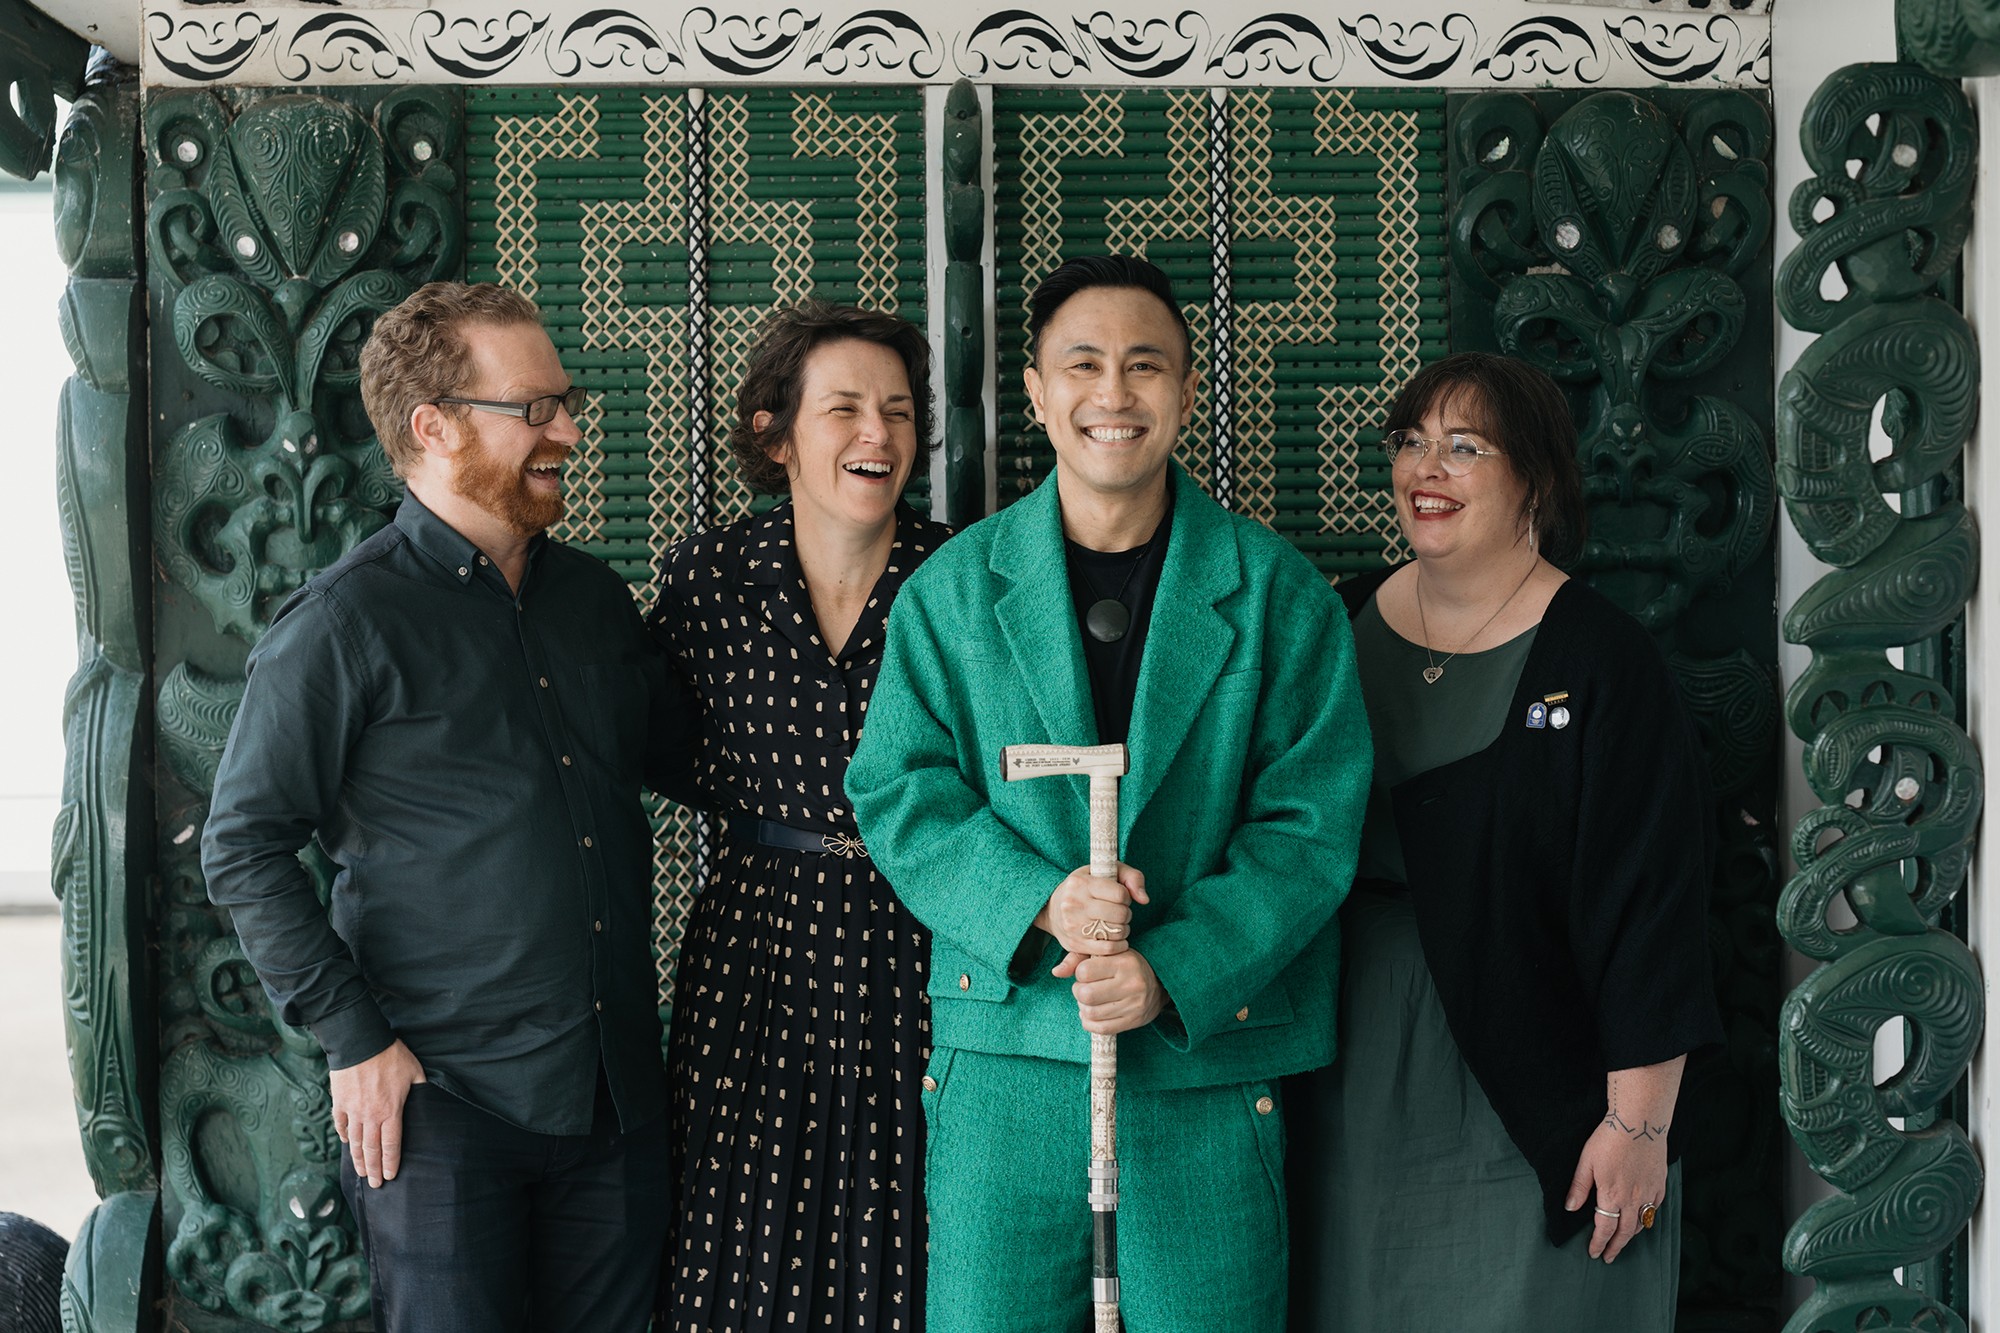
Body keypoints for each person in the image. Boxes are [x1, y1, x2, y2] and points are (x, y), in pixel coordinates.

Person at [847, 254, 1372, 1331]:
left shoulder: (1277, 593)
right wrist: (1041, 900)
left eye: (1145, 366)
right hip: (1009, 1049)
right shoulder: (952, 591)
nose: (1113, 394)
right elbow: (900, 791)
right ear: (1035, 393)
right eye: (1080, 365)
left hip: (1205, 1053)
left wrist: (1168, 970)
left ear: (1184, 389)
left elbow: (1308, 830)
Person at [203, 281, 687, 1333]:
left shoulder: (595, 602)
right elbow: (242, 845)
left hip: (614, 1099)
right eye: (535, 410)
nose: (565, 431)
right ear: (433, 427)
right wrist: (353, 1037)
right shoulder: (343, 622)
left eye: (567, 404)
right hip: (441, 1109)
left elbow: (694, 761)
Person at [1285, 352, 1724, 1331]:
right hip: (1340, 1063)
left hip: (1543, 1073)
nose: (1422, 469)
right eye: (1407, 443)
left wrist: (1635, 1122)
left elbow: (1649, 904)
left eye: (1461, 447)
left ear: (1534, 474)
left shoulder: (1600, 657)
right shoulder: (1333, 617)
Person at [645, 302, 949, 1332]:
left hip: (920, 938)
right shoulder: (708, 581)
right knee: (738, 1227)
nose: (879, 433)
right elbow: (658, 744)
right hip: (754, 942)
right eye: (847, 408)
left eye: (899, 412)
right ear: (774, 432)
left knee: (904, 1223)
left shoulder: (957, 580)